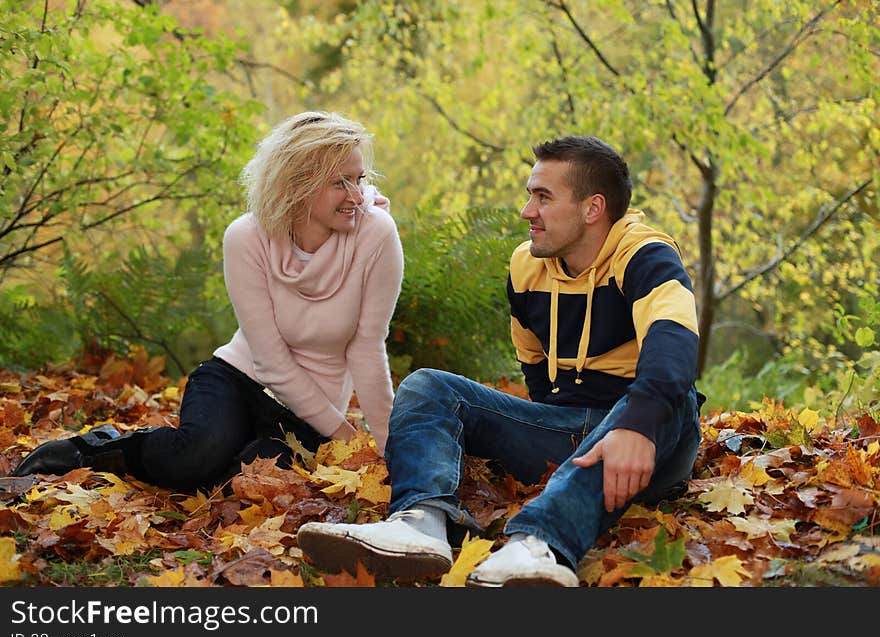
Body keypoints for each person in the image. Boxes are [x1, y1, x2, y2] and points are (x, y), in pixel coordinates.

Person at [296, 135, 704, 587]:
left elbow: (675, 342)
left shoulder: (646, 255)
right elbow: (534, 366)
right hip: (566, 425)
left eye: (543, 197)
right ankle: (420, 524)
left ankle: (540, 545)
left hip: (653, 439)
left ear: (593, 209)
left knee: (673, 397)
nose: (528, 211)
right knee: (428, 385)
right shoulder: (527, 266)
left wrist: (636, 426)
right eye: (530, 195)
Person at [13, 111, 404, 492]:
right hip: (239, 379)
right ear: (299, 183)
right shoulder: (247, 237)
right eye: (340, 183)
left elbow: (367, 347)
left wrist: (388, 452)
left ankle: (221, 452)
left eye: (359, 179)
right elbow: (269, 358)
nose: (356, 195)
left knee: (236, 486)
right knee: (194, 459)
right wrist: (342, 431)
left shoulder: (376, 237)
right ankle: (94, 448)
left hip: (309, 413)